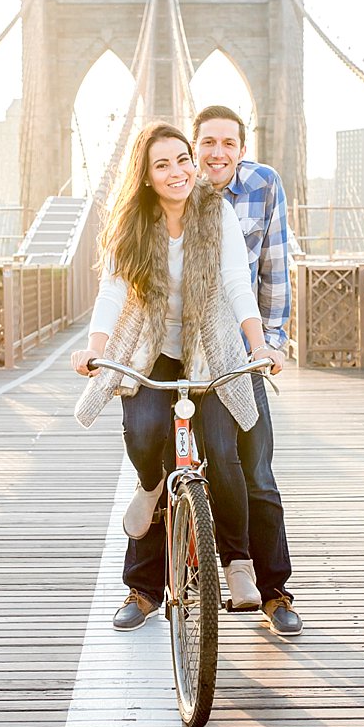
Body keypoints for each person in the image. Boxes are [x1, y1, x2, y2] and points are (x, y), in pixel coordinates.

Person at [71, 121, 285, 632]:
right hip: (153, 349)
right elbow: (112, 292)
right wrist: (94, 349)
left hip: (211, 347)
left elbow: (237, 282)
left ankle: (237, 564)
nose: (178, 171)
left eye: (183, 160)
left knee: (227, 454)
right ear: (145, 176)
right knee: (144, 434)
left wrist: (259, 347)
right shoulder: (132, 224)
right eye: (162, 164)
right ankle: (149, 493)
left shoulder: (218, 213)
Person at [191, 104, 302, 636]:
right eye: (207, 142)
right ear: (193, 145)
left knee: (256, 468)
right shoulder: (173, 184)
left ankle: (274, 589)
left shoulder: (263, 185)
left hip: (244, 351)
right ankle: (150, 586)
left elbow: (273, 268)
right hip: (185, 353)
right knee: (187, 464)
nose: (218, 153)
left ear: (241, 146)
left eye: (228, 143)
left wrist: (273, 343)